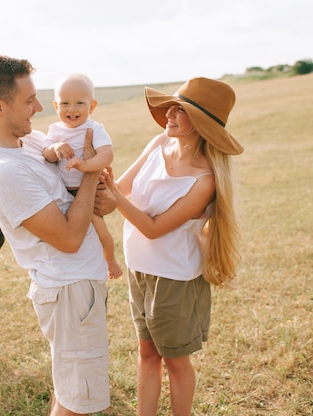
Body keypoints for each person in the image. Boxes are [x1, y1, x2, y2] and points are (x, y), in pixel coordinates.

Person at [94, 77, 243, 415]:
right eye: (172, 106)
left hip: (175, 278)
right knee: (146, 353)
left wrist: (115, 197)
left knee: (176, 362)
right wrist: (96, 178)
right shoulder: (158, 142)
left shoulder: (204, 180)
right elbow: (122, 187)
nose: (170, 114)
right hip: (139, 270)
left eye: (181, 110)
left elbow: (154, 227)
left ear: (201, 123)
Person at [0, 55, 110, 416]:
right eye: (29, 100)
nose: (38, 108)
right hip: (69, 290)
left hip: (76, 288)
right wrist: (91, 173)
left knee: (69, 391)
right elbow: (68, 238)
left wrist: (99, 191)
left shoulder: (31, 143)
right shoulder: (5, 171)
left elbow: (83, 203)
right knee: (78, 403)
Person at [42, 73, 122, 279]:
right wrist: (56, 147)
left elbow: (107, 154)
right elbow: (47, 155)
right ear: (55, 105)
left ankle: (111, 261)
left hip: (87, 192)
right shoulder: (55, 130)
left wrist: (87, 165)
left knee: (101, 231)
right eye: (65, 103)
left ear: (92, 106)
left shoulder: (94, 129)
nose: (72, 109)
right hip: (63, 192)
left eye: (79, 103)